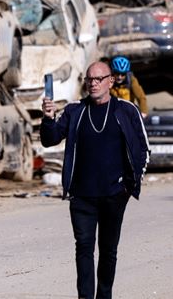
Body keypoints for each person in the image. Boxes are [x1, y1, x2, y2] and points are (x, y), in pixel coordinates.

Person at [41, 61, 149, 299]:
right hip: (82, 197)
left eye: (99, 79)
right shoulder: (74, 111)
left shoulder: (126, 110)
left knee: (108, 251)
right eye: (89, 79)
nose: (93, 84)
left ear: (111, 81)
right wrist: (48, 119)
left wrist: (130, 185)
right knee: (84, 249)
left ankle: (104, 295)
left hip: (114, 195)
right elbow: (50, 139)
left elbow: (143, 149)